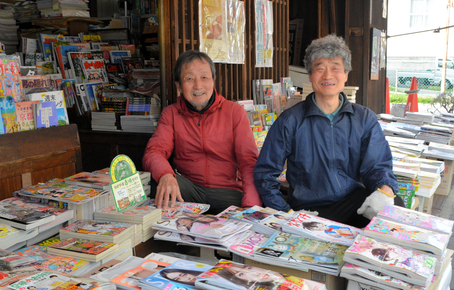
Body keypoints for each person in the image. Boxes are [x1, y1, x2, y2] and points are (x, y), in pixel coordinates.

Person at [254, 34, 403, 228]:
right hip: (309, 210)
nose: (327, 76)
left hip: (353, 205)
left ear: (346, 74)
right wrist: (284, 213)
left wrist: (385, 188)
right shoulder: (290, 120)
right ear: (310, 75)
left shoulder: (364, 118)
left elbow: (378, 166)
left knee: (395, 207)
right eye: (320, 68)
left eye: (335, 68)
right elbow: (265, 173)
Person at [143, 50, 261, 215]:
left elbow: (248, 162)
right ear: (179, 86)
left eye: (204, 78)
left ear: (213, 81)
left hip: (227, 192)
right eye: (189, 79)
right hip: (188, 190)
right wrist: (165, 174)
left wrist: (251, 208)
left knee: (259, 201)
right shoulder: (171, 113)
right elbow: (153, 152)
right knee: (152, 184)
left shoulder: (234, 112)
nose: (198, 86)